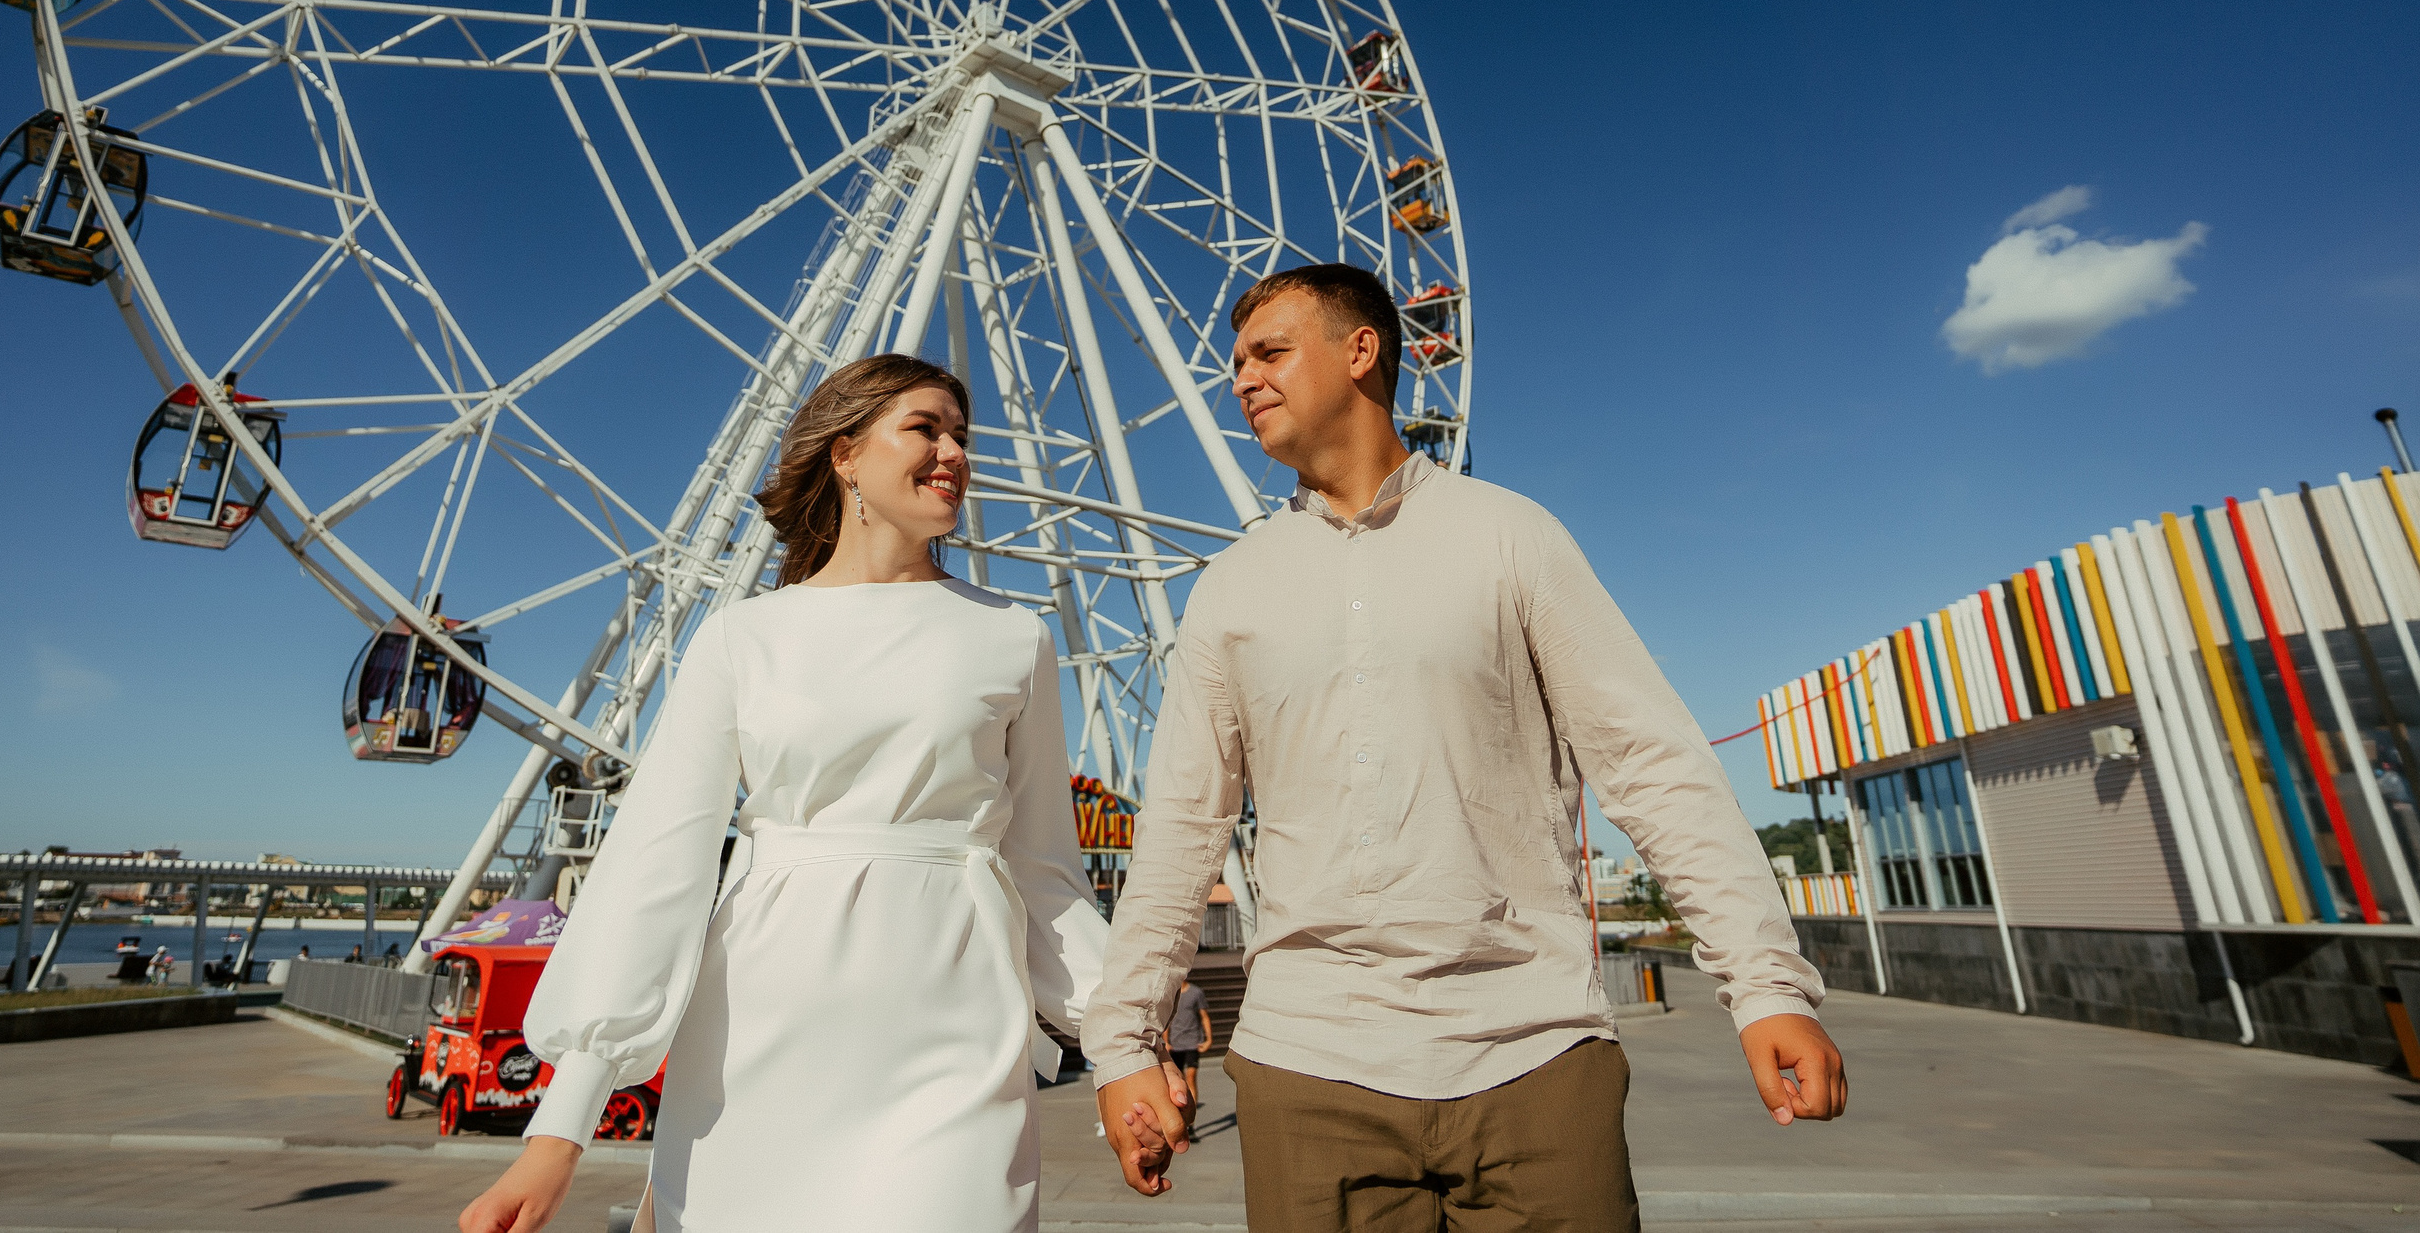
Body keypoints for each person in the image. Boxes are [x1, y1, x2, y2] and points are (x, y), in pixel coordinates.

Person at [1085, 264, 1848, 1232]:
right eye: (1236, 362)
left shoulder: (1511, 538)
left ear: (1361, 351)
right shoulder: (1230, 591)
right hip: (1309, 1063)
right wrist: (1122, 1041)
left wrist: (1766, 987)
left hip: (1532, 1053)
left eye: (1268, 351)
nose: (1240, 378)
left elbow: (1651, 764)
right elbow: (1181, 828)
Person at [459, 354, 1121, 1233]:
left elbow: (1044, 874)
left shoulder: (1012, 636)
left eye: (962, 434)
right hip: (759, 1029)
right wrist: (560, 1130)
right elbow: (657, 863)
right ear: (845, 454)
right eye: (925, 428)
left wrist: (1122, 1044)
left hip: (956, 1026)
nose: (955, 453)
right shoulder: (743, 637)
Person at [1165, 977, 1213, 1105]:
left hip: (1192, 1041)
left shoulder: (1196, 992)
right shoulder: (1170, 994)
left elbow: (1204, 1017)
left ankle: (1193, 1114)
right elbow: (1167, 1019)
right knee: (1178, 1079)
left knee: (1191, 1076)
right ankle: (1183, 1109)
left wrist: (1208, 1039)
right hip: (1176, 1043)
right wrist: (1166, 1042)